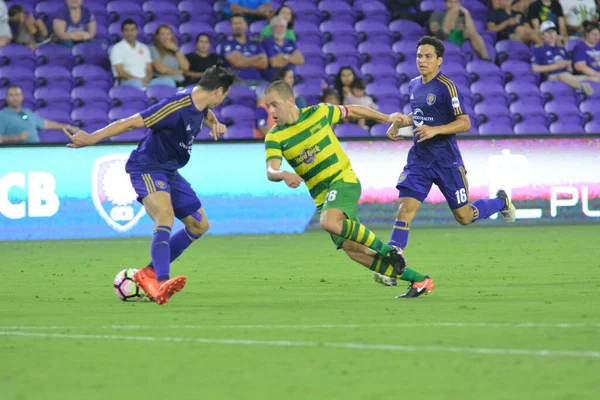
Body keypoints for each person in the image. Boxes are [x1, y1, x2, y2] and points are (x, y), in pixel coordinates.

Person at [62, 66, 235, 305]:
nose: (222, 101)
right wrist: (92, 138)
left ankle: (147, 274)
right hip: (148, 167)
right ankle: (161, 281)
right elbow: (132, 122)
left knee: (199, 225)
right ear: (217, 91)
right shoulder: (173, 106)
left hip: (170, 171)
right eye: (224, 96)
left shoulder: (201, 101)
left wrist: (215, 122)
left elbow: (206, 113)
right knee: (165, 216)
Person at [263, 80, 433, 299]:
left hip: (343, 180)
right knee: (355, 251)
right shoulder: (275, 136)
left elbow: (351, 110)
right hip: (322, 199)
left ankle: (389, 251)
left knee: (328, 222)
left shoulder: (319, 112)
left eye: (275, 104)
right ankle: (419, 280)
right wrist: (283, 174)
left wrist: (387, 118)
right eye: (268, 106)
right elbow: (271, 170)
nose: (272, 111)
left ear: (289, 100)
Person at [384, 36, 517, 295]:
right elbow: (418, 115)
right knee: (404, 209)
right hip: (420, 159)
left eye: (428, 57)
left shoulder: (447, 86)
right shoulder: (413, 85)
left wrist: (436, 131)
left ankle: (501, 202)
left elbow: (465, 122)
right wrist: (399, 123)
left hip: (447, 161)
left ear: (439, 60)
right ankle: (393, 257)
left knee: (464, 216)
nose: (422, 61)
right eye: (419, 56)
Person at [532, 20, 597, 93]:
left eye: (553, 32)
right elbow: (535, 68)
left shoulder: (562, 49)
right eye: (548, 32)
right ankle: (581, 87)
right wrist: (556, 66)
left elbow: (570, 70)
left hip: (568, 76)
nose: (551, 35)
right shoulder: (539, 50)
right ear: (542, 35)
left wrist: (568, 65)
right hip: (552, 76)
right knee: (561, 76)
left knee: (592, 78)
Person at [0, 86, 75, 144]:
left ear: (22, 97)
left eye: (17, 95)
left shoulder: (28, 112)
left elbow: (45, 124)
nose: (15, 98)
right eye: (11, 95)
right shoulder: (2, 115)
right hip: (16, 151)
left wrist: (68, 127)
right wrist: (16, 138)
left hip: (36, 150)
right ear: (6, 98)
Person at [216, 14, 268, 86]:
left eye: (240, 23)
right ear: (231, 26)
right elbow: (237, 63)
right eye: (234, 23)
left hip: (258, 80)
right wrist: (256, 57)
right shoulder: (226, 43)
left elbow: (264, 64)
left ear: (246, 25)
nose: (237, 26)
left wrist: (243, 60)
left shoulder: (255, 42)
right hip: (236, 82)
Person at [110, 19, 161, 89]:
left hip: (146, 81)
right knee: (138, 84)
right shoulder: (117, 48)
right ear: (122, 32)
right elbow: (121, 72)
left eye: (132, 30)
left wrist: (145, 80)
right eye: (127, 30)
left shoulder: (144, 47)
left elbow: (149, 70)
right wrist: (139, 80)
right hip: (128, 82)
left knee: (167, 82)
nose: (130, 33)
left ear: (136, 31)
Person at [263, 15, 304, 81]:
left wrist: (284, 56)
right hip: (275, 79)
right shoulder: (267, 43)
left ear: (286, 29)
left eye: (282, 27)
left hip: (293, 78)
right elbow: (274, 63)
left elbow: (300, 60)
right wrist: (291, 58)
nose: (279, 29)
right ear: (271, 29)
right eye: (276, 27)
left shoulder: (291, 42)